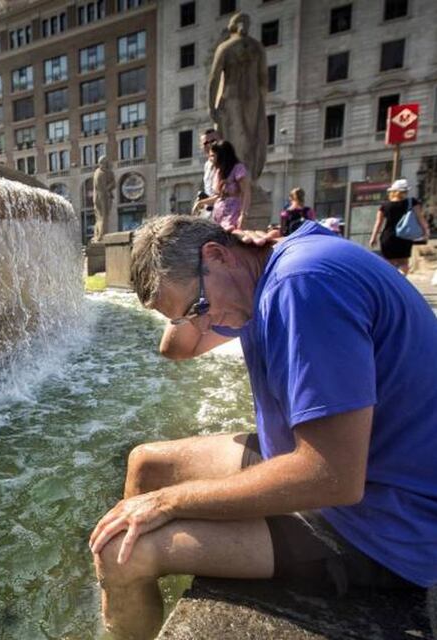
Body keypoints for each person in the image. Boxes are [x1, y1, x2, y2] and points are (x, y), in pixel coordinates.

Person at [89, 215, 437, 640]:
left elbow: (334, 479)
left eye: (200, 309)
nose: (206, 322)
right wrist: (187, 305)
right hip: (326, 467)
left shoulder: (303, 286)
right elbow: (178, 347)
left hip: (379, 526)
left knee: (119, 556)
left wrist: (168, 503)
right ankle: (144, 604)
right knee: (146, 463)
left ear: (217, 255)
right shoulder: (265, 270)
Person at [208, 12, 268, 182]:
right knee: (250, 138)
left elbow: (214, 79)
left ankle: (238, 181)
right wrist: (261, 102)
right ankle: (246, 178)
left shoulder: (226, 48)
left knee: (234, 142)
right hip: (253, 97)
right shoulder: (257, 48)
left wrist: (211, 106)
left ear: (231, 27)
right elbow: (264, 79)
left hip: (232, 97)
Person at [369, 178, 430, 274]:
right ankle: (402, 281)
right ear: (405, 191)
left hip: (388, 237)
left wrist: (373, 237)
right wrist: (426, 231)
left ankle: (391, 283)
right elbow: (420, 218)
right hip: (405, 236)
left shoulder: (385, 205)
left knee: (389, 264)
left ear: (393, 192)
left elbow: (378, 223)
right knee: (404, 263)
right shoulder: (412, 202)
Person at [194, 141, 250, 231]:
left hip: (233, 213)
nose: (210, 158)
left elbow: (246, 192)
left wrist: (243, 215)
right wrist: (201, 203)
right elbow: (218, 197)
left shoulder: (238, 168)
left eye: (212, 155)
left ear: (221, 156)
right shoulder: (218, 171)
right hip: (218, 215)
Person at [191, 129, 221, 218]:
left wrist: (201, 202)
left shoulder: (225, 163)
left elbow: (224, 196)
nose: (209, 144)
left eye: (213, 141)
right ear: (201, 146)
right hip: (210, 212)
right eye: (205, 143)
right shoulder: (207, 165)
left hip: (224, 212)